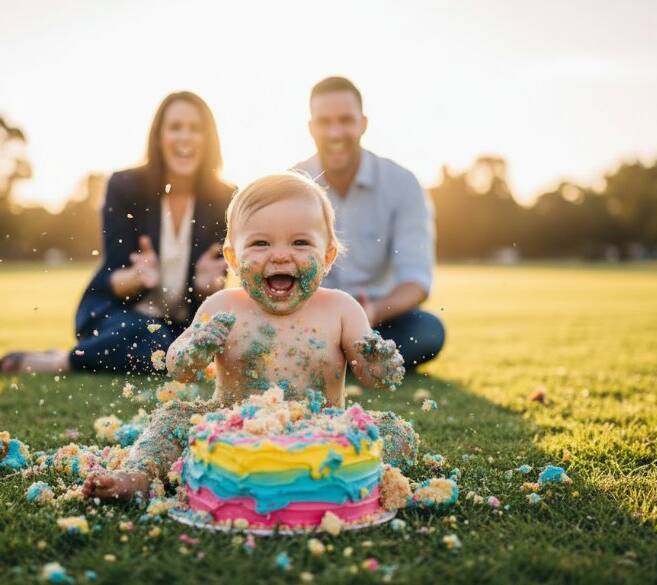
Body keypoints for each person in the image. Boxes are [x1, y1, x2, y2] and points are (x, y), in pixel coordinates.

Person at [83, 172, 418, 500]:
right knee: (173, 419)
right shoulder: (224, 306)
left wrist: (380, 363)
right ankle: (138, 474)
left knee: (395, 432)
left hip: (322, 434)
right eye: (260, 243)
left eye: (301, 242)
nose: (281, 255)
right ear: (233, 258)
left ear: (329, 255)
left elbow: (376, 377)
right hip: (232, 434)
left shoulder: (341, 309)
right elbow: (178, 366)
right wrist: (194, 350)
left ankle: (358, 475)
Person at [0, 92, 234, 375]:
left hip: (182, 324)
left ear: (210, 140)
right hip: (120, 314)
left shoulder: (224, 198)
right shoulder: (125, 186)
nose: (185, 137)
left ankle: (89, 354)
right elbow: (114, 275)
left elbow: (215, 281)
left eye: (195, 129)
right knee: (154, 340)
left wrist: (208, 285)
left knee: (177, 342)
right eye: (175, 127)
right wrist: (138, 277)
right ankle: (62, 363)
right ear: (158, 136)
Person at [293, 76, 445, 367]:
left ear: (363, 123)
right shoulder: (292, 184)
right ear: (311, 128)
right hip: (308, 318)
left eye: (346, 120)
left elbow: (416, 281)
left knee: (428, 331)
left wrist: (371, 312)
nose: (336, 132)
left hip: (378, 319)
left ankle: (330, 363)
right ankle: (353, 362)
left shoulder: (402, 184)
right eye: (325, 122)